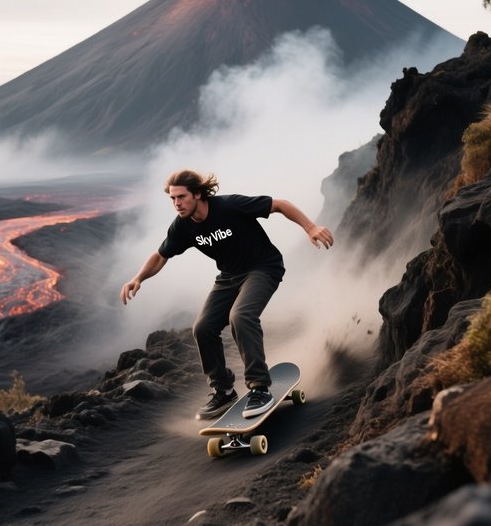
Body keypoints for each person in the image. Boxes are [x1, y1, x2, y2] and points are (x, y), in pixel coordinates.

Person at [120, 169, 334, 421]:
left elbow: (279, 205)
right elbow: (160, 255)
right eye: (172, 198)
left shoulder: (229, 206)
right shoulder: (182, 226)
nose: (177, 203)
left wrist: (311, 227)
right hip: (229, 277)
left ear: (197, 194)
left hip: (263, 267)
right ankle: (223, 391)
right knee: (203, 328)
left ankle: (260, 388)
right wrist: (138, 278)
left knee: (241, 316)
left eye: (181, 197)